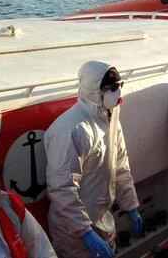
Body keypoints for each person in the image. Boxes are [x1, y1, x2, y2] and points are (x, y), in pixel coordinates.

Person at [44, 61, 143, 258]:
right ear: (95, 91)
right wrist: (85, 232)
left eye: (120, 85)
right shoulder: (71, 130)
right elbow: (62, 188)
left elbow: (120, 166)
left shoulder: (110, 119)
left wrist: (131, 206)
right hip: (73, 232)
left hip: (103, 219)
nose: (118, 92)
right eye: (112, 88)